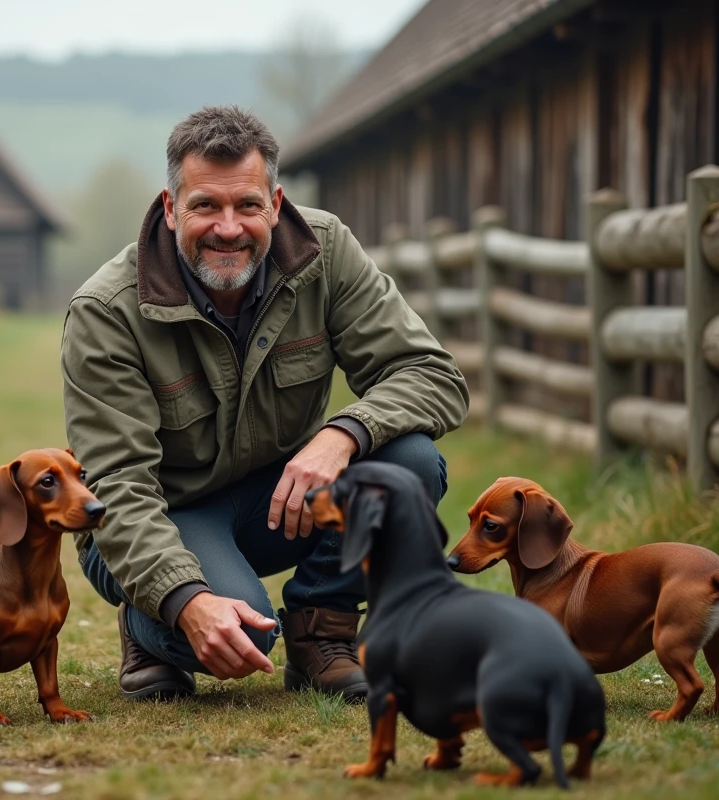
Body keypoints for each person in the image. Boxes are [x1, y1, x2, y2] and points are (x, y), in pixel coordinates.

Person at [60, 105, 468, 702]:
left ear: (274, 205)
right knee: (248, 630)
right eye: (205, 206)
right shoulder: (105, 311)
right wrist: (188, 603)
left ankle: (321, 631)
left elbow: (432, 374)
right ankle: (149, 625)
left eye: (247, 206)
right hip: (157, 516)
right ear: (171, 207)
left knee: (409, 463)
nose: (229, 227)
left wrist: (344, 434)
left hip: (278, 499)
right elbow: (118, 485)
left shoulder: (325, 253)